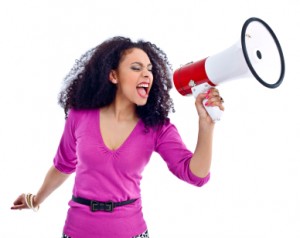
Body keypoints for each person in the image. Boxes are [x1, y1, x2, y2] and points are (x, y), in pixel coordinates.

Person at [11, 36, 224, 238]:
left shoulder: (157, 127)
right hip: (77, 230)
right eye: (136, 68)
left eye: (149, 70)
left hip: (131, 231)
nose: (147, 75)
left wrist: (206, 125)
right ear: (113, 76)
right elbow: (63, 165)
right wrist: (35, 199)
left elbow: (195, 175)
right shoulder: (80, 116)